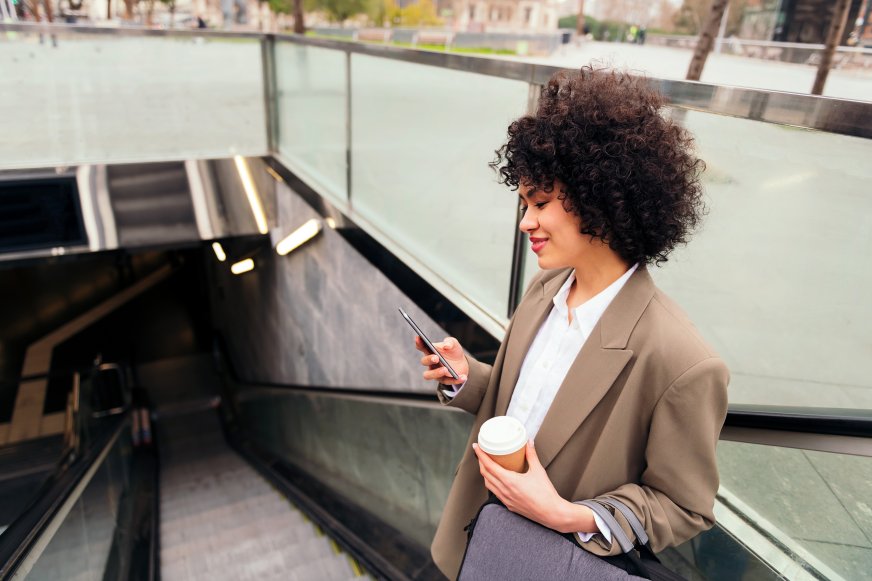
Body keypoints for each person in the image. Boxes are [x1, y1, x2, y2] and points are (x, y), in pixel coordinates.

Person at [414, 66, 730, 579]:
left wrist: (566, 515)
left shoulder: (681, 362)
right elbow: (527, 404)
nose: (525, 222)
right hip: (470, 540)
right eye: (524, 204)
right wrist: (468, 378)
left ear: (601, 197)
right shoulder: (545, 289)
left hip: (546, 563)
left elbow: (685, 507)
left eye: (539, 203)